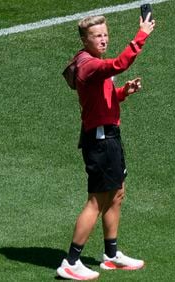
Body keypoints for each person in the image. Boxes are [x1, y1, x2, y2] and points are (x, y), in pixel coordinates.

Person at [56, 13, 155, 281]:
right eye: (97, 36)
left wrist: (123, 92)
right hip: (100, 142)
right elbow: (121, 63)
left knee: (117, 193)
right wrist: (142, 34)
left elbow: (103, 98)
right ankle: (71, 262)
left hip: (109, 136)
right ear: (84, 40)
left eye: (105, 35)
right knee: (96, 201)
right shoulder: (89, 65)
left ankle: (111, 256)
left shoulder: (93, 62)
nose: (103, 39)